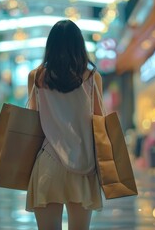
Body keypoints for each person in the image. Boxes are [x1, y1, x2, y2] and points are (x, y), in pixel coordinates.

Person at [26, 19, 104, 230]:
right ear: (80, 46)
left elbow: (32, 120)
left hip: (48, 161)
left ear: (50, 47)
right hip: (83, 163)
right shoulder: (92, 77)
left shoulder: (37, 77)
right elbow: (99, 122)